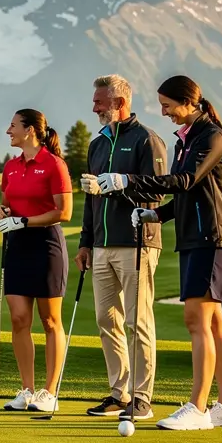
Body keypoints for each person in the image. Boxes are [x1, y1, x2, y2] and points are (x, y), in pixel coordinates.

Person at [91, 74, 222, 430]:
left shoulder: (212, 137)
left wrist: (127, 180)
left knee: (196, 321)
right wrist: (155, 213)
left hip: (212, 238)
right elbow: (185, 194)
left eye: (168, 105)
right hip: (195, 237)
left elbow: (185, 181)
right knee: (215, 323)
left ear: (189, 101)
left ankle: (198, 408)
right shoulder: (187, 139)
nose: (164, 113)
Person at [77, 75, 169, 421]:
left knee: (138, 321)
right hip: (101, 244)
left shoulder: (147, 140)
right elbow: (91, 199)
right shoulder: (98, 144)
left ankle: (142, 398)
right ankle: (120, 393)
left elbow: (158, 194)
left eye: (100, 102)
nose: (94, 107)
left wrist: (119, 185)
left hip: (137, 243)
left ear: (120, 102)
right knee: (106, 320)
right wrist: (86, 242)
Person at [0, 109, 73, 413]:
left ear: (30, 130)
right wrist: (2, 215)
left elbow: (63, 212)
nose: (8, 131)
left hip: (46, 246)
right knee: (18, 319)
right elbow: (5, 205)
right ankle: (27, 390)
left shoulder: (54, 165)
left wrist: (24, 221)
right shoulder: (11, 166)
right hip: (17, 247)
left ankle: (49, 392)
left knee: (50, 320)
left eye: (13, 125)